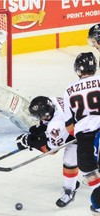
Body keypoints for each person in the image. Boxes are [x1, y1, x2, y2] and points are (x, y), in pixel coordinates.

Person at [16, 96, 79, 208]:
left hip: (84, 132)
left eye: (41, 115)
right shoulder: (53, 101)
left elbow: (51, 150)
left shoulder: (56, 126)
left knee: (70, 161)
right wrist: (42, 128)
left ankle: (69, 191)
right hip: (88, 122)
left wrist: (31, 142)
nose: (41, 118)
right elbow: (48, 121)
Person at [63, 52, 100, 215]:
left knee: (88, 170)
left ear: (78, 69)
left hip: (84, 134)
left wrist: (76, 136)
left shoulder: (69, 90)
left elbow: (69, 124)